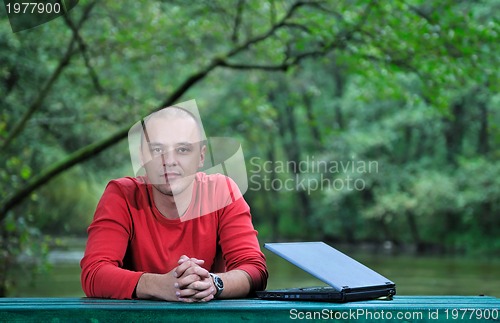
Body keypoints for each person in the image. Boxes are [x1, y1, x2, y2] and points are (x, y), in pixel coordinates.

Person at [80, 106, 268, 302]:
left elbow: (255, 270)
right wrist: (159, 285)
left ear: (201, 156)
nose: (169, 161)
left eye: (183, 150)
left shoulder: (221, 192)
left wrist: (213, 283)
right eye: (157, 150)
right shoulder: (122, 195)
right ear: (142, 157)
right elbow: (94, 274)